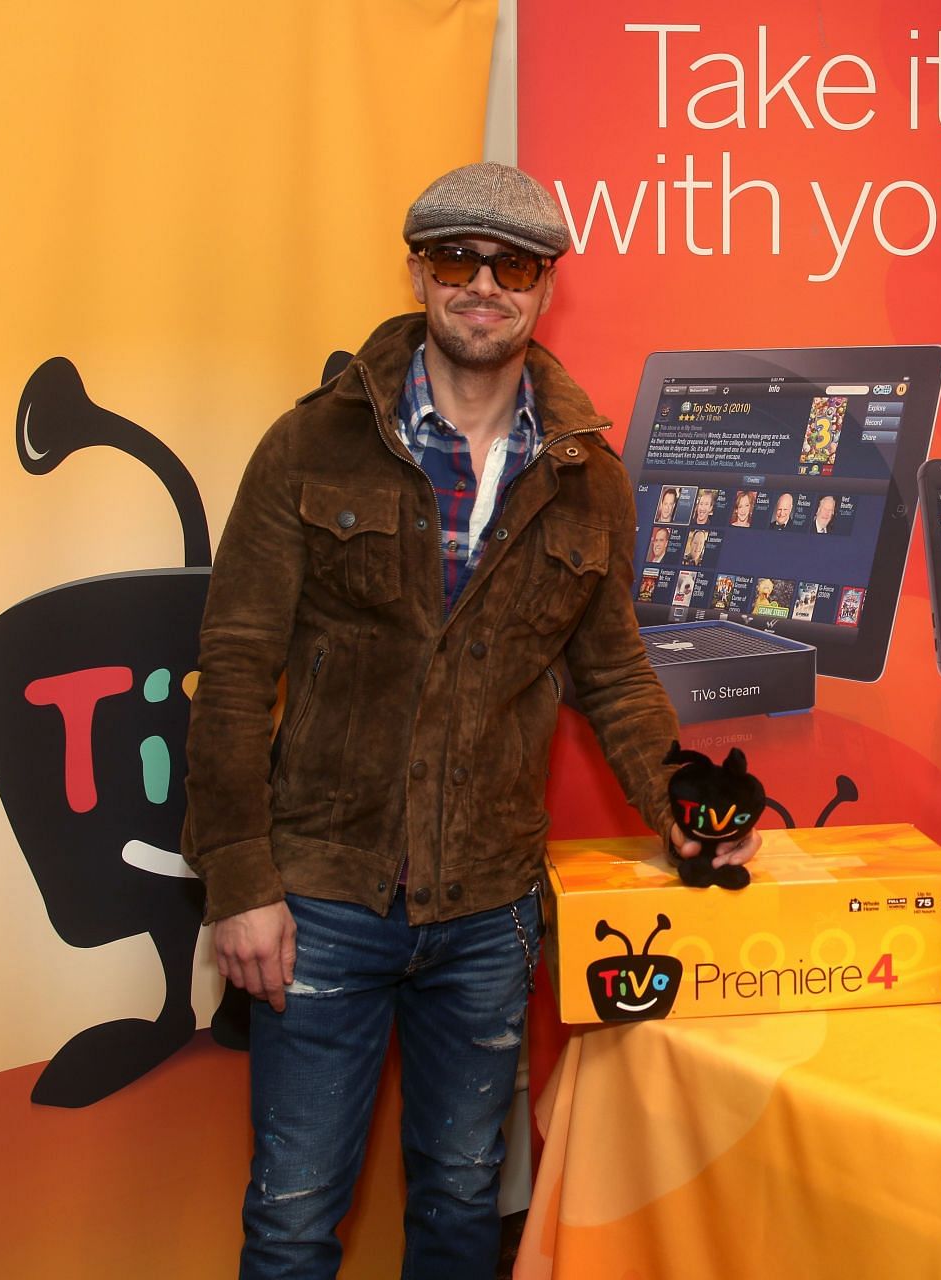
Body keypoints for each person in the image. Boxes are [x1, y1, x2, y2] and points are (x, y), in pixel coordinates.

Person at [182, 162, 759, 1280]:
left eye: (514, 265)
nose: (483, 283)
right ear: (419, 271)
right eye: (458, 258)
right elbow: (235, 666)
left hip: (489, 908)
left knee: (458, 1203)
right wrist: (239, 880)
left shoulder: (589, 476)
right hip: (320, 897)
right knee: (295, 1217)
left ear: (546, 288)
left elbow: (616, 670)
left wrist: (679, 796)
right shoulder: (310, 445)